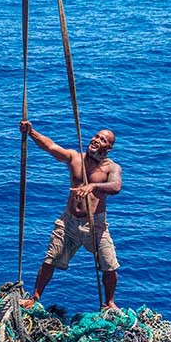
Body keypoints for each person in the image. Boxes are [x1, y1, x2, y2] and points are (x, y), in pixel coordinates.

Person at [19, 121, 123, 310]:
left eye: (103, 140)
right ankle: (34, 297)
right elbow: (50, 147)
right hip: (69, 222)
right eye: (96, 136)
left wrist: (94, 186)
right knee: (50, 260)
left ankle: (109, 303)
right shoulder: (76, 158)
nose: (97, 140)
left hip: (95, 226)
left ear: (109, 148)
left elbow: (116, 186)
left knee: (110, 266)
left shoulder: (112, 168)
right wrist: (31, 132)